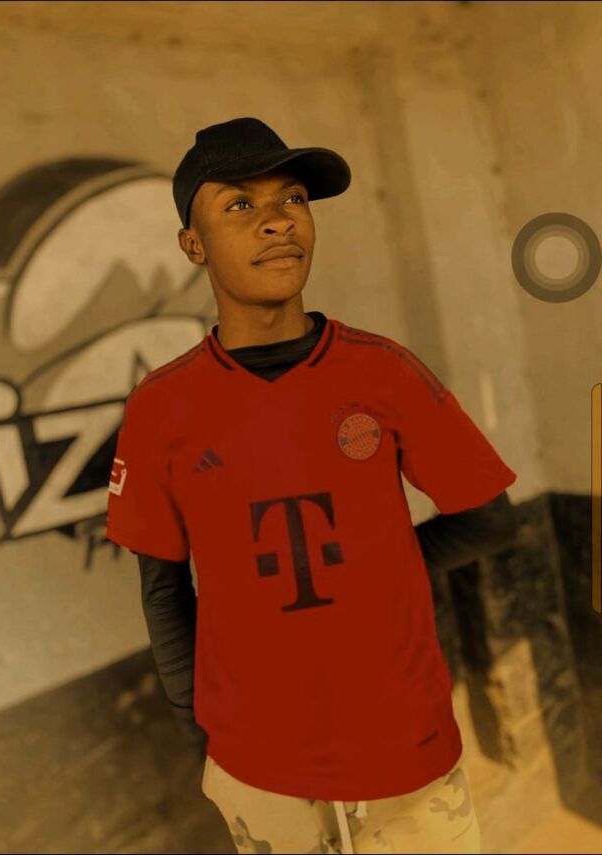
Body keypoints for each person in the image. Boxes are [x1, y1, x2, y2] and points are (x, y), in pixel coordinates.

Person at [105, 117, 518, 854]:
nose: (277, 220)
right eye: (240, 204)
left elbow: (490, 517)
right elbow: (162, 587)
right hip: (255, 764)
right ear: (193, 245)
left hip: (407, 745)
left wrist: (383, 565)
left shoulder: (383, 370)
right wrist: (205, 730)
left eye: (292, 198)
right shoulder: (162, 406)